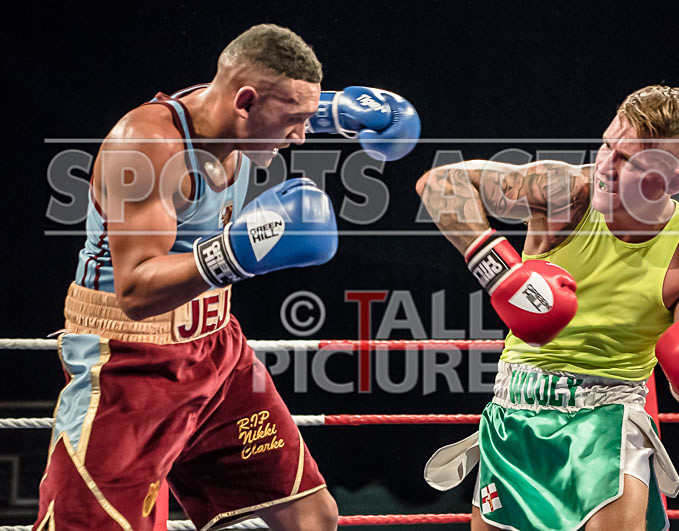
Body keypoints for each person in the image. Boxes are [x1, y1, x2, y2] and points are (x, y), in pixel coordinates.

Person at [35, 23, 419, 531]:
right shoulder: (148, 145)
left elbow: (275, 98)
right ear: (245, 104)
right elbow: (134, 291)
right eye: (295, 122)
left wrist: (351, 111)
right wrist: (236, 252)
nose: (302, 136)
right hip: (128, 363)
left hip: (217, 351)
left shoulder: (234, 110)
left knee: (311, 516)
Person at [417, 85, 679, 531]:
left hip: (611, 420)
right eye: (607, 146)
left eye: (628, 161)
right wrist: (501, 274)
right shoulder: (564, 194)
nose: (605, 166)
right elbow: (439, 184)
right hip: (517, 408)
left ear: (672, 182)